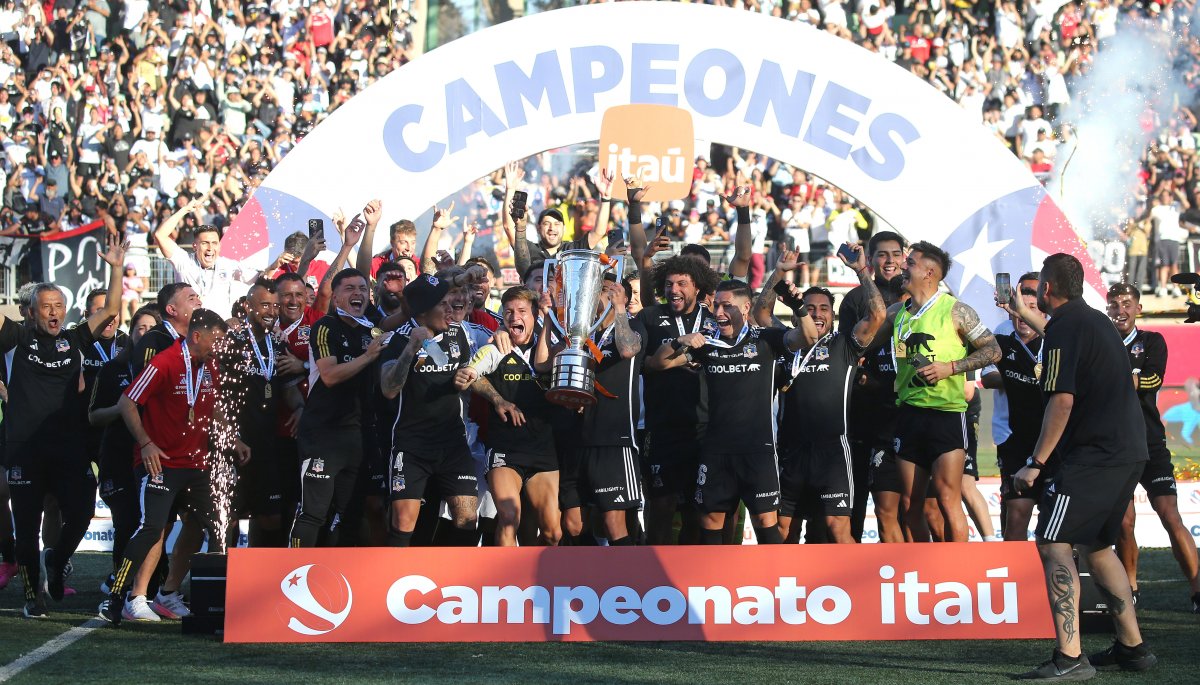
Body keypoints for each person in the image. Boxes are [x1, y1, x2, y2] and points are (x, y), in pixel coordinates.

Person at [1012, 254, 1156, 680]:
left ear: (1047, 290)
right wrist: (1023, 315)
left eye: (1036, 288)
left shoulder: (1064, 328)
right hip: (1129, 451)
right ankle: (1133, 648)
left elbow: (1061, 400)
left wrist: (1035, 464)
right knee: (1096, 545)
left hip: (1096, 454)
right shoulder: (1089, 319)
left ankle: (1070, 657)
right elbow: (1063, 340)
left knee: (1054, 541)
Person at [2, 234, 125, 619]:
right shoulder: (16, 339)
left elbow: (111, 311)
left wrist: (117, 269)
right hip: (25, 449)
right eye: (46, 307)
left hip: (69, 449)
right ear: (32, 312)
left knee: (82, 513)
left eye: (59, 305)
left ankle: (56, 561)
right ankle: (31, 595)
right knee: (26, 527)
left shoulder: (74, 340)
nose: (53, 312)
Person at [101, 309, 241, 626]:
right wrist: (146, 443)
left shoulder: (209, 366)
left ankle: (189, 598)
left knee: (219, 523)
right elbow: (127, 403)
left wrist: (233, 439)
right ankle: (118, 597)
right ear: (197, 336)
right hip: (161, 462)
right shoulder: (164, 362)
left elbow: (212, 406)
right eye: (216, 340)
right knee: (151, 528)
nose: (219, 347)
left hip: (197, 464)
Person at [651, 279, 812, 545]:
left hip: (757, 452)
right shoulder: (708, 344)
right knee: (711, 523)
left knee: (765, 523)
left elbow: (806, 337)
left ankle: (776, 586)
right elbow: (659, 363)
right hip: (716, 451)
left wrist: (799, 308)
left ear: (746, 308)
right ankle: (714, 586)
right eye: (716, 306)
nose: (719, 312)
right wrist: (680, 340)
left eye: (727, 306)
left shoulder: (765, 340)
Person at [775, 244, 886, 544]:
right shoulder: (786, 344)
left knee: (838, 529)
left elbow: (877, 315)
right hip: (791, 451)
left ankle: (856, 593)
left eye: (824, 309)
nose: (817, 314)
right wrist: (779, 272)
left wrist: (862, 270)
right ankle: (782, 589)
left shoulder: (844, 346)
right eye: (809, 308)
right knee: (784, 531)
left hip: (834, 451)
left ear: (834, 316)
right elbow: (760, 313)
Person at [890, 241, 1001, 543]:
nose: (902, 266)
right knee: (910, 505)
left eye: (909, 262)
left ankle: (959, 573)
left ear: (929, 273)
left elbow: (994, 350)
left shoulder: (956, 311)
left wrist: (950, 368)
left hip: (947, 416)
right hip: (909, 415)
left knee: (947, 498)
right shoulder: (898, 313)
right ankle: (923, 574)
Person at [1105, 283, 1200, 611]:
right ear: (1107, 310)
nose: (1121, 310)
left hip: (1149, 443)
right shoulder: (1100, 343)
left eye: (1127, 303)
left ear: (1138, 309)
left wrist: (1115, 376)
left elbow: (1151, 380)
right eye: (1115, 304)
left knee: (1170, 515)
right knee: (1124, 522)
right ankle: (1131, 589)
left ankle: (1197, 587)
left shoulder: (1152, 341)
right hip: (1115, 447)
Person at [379, 271, 487, 547]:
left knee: (466, 518)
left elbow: (470, 374)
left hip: (452, 443)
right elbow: (389, 389)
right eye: (443, 305)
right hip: (411, 444)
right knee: (404, 523)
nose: (451, 309)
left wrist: (495, 397)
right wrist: (412, 348)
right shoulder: (399, 339)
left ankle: (451, 580)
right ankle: (392, 581)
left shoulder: (457, 334)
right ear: (425, 311)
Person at [289, 269, 388, 548]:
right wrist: (368, 356)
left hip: (359, 434)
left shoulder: (373, 329)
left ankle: (346, 583)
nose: (357, 293)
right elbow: (330, 376)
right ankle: (291, 576)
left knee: (353, 513)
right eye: (349, 289)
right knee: (314, 512)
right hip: (324, 434)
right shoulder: (326, 326)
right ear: (335, 298)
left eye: (362, 288)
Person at [454, 286, 560, 546]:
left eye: (522, 311)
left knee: (552, 532)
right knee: (509, 517)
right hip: (505, 449)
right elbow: (471, 375)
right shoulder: (495, 348)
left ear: (535, 315)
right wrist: (496, 398)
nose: (514, 318)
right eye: (509, 312)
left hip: (543, 449)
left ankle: (546, 584)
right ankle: (509, 586)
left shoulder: (555, 348)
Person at [213, 279, 303, 548]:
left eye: (275, 306)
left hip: (266, 445)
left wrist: (300, 408)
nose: (272, 311)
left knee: (270, 519)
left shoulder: (276, 343)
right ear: (247, 306)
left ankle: (258, 577)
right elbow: (213, 396)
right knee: (226, 517)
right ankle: (221, 580)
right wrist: (231, 438)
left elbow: (288, 387)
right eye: (265, 305)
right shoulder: (231, 342)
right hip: (233, 445)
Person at [638, 255, 720, 545]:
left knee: (698, 512)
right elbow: (646, 365)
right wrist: (683, 351)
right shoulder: (648, 317)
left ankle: (689, 580)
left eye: (682, 283)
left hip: (705, 429)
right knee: (660, 508)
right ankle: (652, 580)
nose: (674, 289)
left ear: (697, 288)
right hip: (662, 429)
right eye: (670, 283)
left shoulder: (714, 321)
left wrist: (672, 359)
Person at [559, 276, 645, 546]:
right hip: (578, 439)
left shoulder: (634, 327)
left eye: (608, 291)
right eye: (597, 290)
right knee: (573, 524)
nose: (599, 296)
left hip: (614, 440)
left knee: (614, 523)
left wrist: (620, 309)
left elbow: (628, 349)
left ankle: (630, 584)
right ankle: (588, 585)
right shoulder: (581, 336)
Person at [838, 230, 907, 541]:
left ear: (905, 258)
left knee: (909, 504)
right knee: (857, 499)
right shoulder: (854, 299)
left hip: (906, 413)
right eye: (882, 254)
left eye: (895, 254)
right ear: (871, 257)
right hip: (863, 414)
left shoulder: (917, 295)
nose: (889, 261)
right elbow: (849, 353)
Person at [89, 305, 160, 607]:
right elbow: (93, 417)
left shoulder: (166, 368)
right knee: (127, 521)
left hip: (152, 459)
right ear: (131, 335)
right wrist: (121, 408)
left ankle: (151, 590)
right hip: (117, 457)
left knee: (153, 523)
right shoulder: (113, 369)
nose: (144, 335)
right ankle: (121, 584)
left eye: (150, 329)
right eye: (139, 329)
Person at [983, 281, 1049, 541]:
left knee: (1053, 510)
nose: (1022, 316)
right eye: (1018, 309)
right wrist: (1019, 377)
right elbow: (988, 377)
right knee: (1016, 511)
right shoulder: (999, 336)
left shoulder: (1054, 337)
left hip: (1051, 436)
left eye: (1031, 308)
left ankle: (1062, 570)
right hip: (1011, 434)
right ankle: (1013, 574)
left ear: (1042, 312)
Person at [154, 192, 282, 319]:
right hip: (190, 329)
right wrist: (185, 210)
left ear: (219, 246)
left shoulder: (227, 264)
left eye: (214, 243)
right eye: (205, 243)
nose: (210, 248)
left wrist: (273, 267)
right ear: (195, 246)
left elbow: (258, 279)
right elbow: (160, 235)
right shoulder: (184, 261)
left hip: (220, 330)